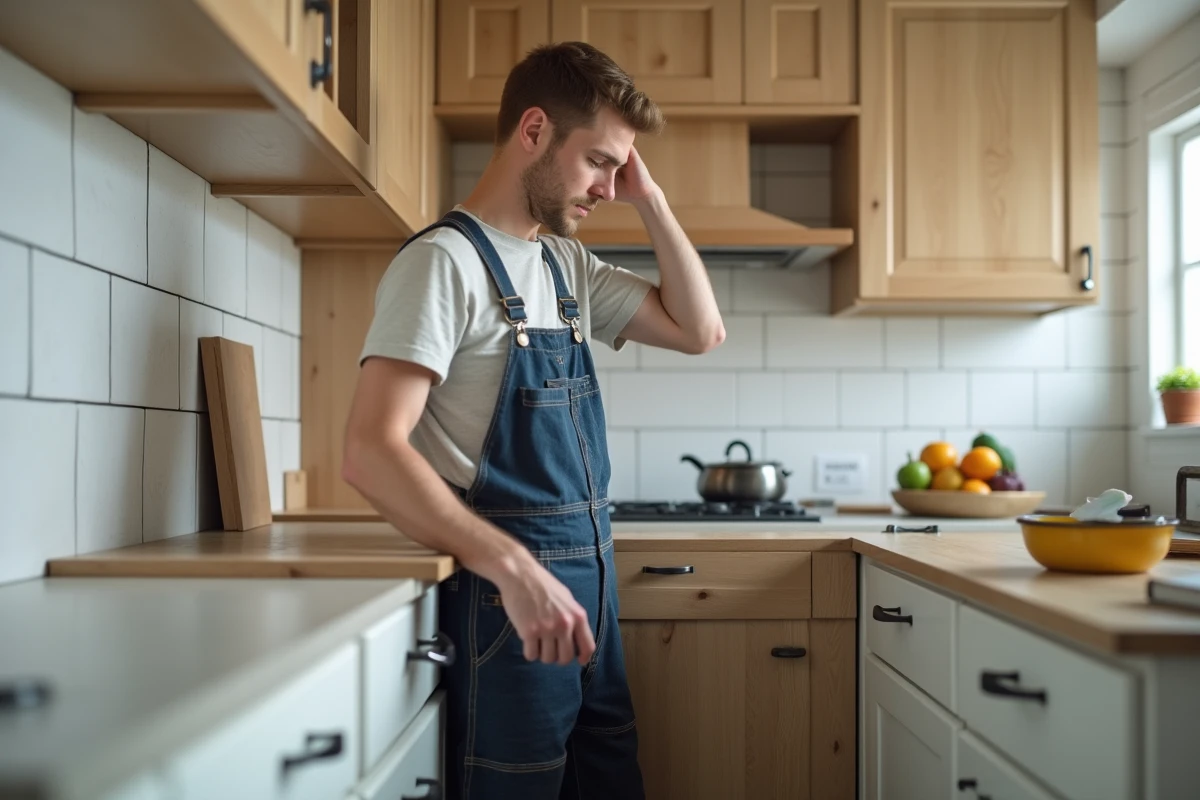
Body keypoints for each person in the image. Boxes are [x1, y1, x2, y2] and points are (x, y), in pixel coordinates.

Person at [341, 40, 725, 799]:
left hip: (594, 593)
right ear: (534, 131)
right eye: (599, 164)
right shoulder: (442, 264)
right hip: (505, 609)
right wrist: (515, 569)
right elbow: (370, 451)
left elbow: (698, 331)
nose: (608, 189)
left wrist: (654, 200)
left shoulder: (563, 267)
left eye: (619, 171)